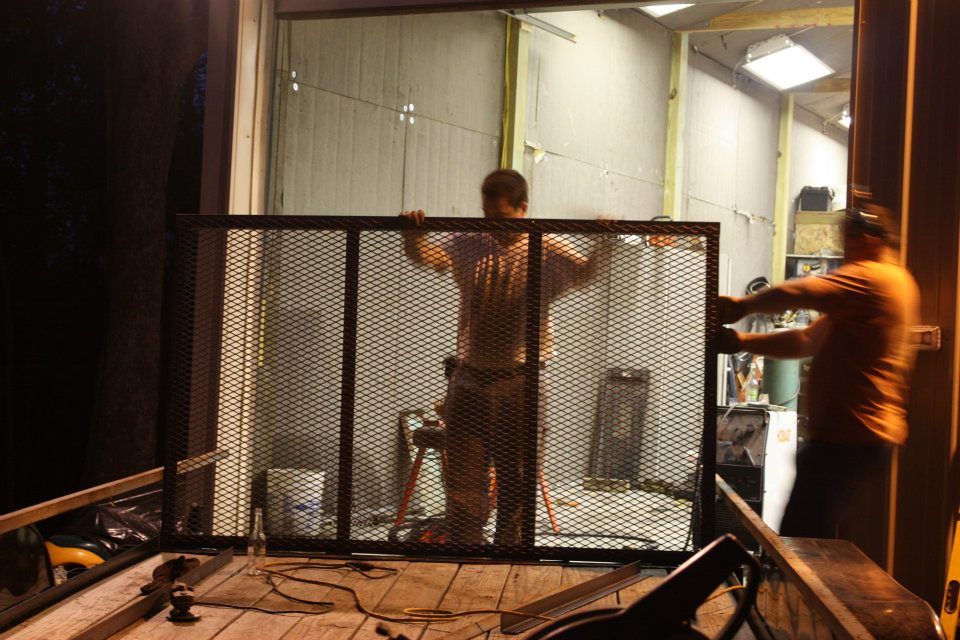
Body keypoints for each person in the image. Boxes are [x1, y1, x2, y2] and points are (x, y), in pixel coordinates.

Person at [400, 169, 611, 546]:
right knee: (464, 477)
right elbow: (428, 256)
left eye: (501, 216)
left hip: (521, 380)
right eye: (486, 215)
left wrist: (604, 242)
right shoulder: (469, 242)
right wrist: (413, 235)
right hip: (469, 377)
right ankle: (466, 548)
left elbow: (586, 274)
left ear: (523, 208)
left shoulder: (546, 248)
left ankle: (509, 552)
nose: (492, 225)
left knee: (516, 476)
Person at [717, 200, 919, 539]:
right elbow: (805, 341)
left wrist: (744, 305)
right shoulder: (882, 286)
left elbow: (808, 290)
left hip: (851, 437)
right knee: (809, 535)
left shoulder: (874, 278)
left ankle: (801, 591)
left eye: (848, 241)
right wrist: (742, 341)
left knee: (804, 542)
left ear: (868, 239)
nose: (844, 253)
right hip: (850, 439)